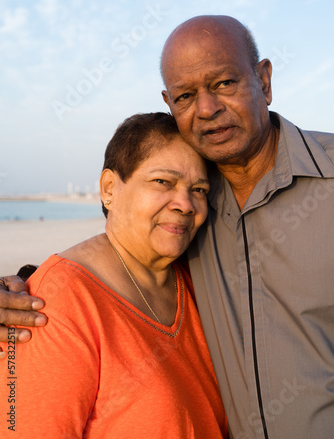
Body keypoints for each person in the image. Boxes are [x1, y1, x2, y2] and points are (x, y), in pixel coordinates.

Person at [1, 15, 334, 438]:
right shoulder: (58, 300)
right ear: (108, 188)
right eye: (186, 95)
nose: (208, 108)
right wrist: (31, 286)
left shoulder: (191, 257)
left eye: (225, 83)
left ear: (264, 80)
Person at [0, 112, 229, 438]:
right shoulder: (58, 301)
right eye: (163, 181)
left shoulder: (202, 279)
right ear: (109, 188)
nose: (186, 203)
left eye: (200, 189)